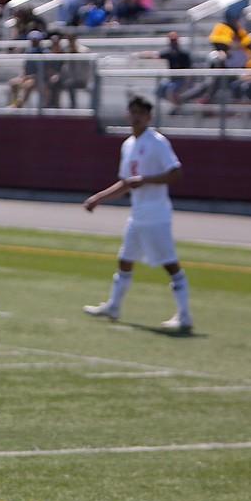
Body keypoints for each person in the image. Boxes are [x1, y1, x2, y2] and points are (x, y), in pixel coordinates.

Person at [83, 95, 191, 332]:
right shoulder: (129, 144)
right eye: (133, 112)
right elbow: (125, 183)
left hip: (156, 214)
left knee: (170, 265)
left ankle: (184, 315)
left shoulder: (157, 142)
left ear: (149, 117)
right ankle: (114, 306)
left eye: (141, 113)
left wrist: (146, 180)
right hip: (138, 214)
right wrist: (98, 198)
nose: (136, 116)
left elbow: (176, 173)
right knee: (125, 260)